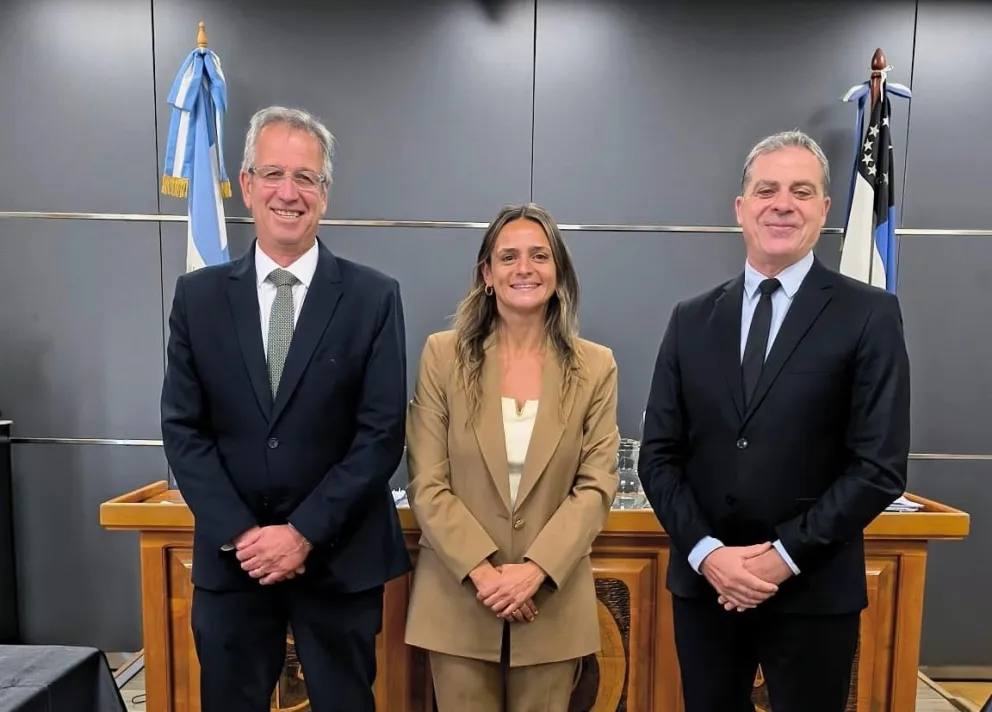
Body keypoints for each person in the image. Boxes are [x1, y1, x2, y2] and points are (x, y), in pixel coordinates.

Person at [639, 130, 910, 712]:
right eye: (766, 190)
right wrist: (710, 553)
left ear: (824, 209)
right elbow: (658, 457)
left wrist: (778, 558)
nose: (782, 204)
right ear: (741, 208)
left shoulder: (869, 315)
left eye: (801, 191)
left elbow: (878, 467)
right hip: (706, 588)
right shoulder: (690, 320)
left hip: (813, 590)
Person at [160, 106, 411, 712]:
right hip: (233, 561)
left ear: (325, 194)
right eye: (273, 173)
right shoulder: (198, 298)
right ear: (246, 185)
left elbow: (380, 436)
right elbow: (183, 430)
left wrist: (301, 534)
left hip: (339, 558)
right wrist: (246, 534)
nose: (288, 192)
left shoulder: (374, 297)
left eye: (306, 178)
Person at [403, 203, 620, 712]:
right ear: (487, 274)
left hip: (549, 604)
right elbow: (427, 481)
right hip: (459, 602)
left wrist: (534, 572)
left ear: (559, 272)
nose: (524, 268)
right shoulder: (443, 355)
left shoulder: (596, 366)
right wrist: (485, 573)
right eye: (509, 257)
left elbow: (596, 486)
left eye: (540, 256)